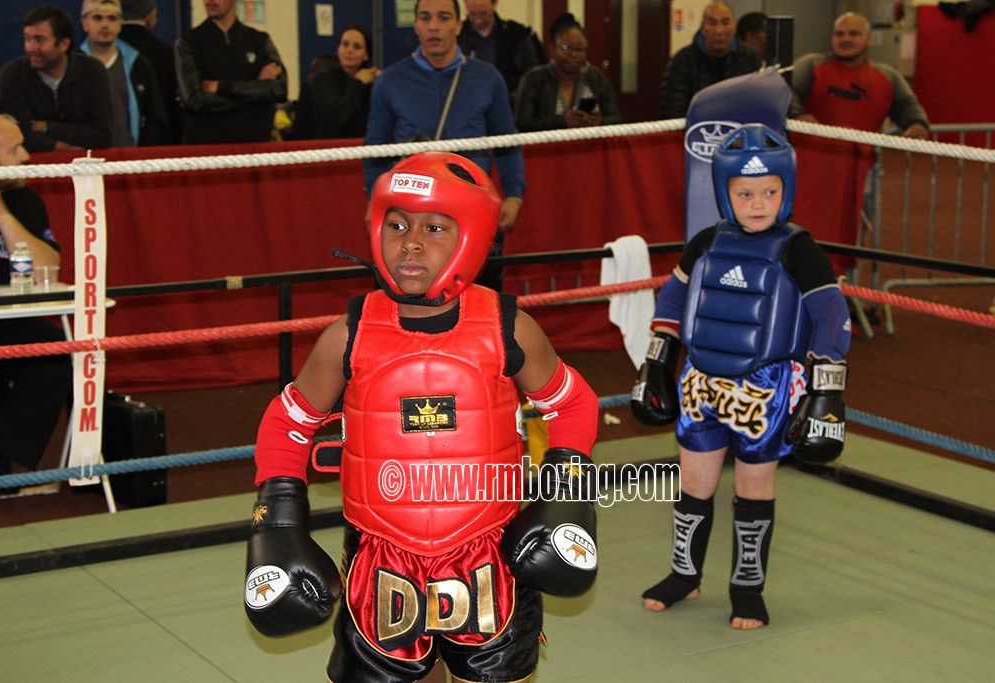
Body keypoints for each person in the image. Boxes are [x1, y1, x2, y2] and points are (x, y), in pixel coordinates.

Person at [243, 151, 599, 682]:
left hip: (489, 552)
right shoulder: (349, 335)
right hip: (381, 557)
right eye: (397, 224)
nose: (410, 241)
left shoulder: (508, 328)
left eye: (434, 226)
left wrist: (566, 496)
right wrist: (279, 525)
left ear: (472, 237)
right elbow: (287, 421)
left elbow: (571, 403)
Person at [630, 124, 851, 630]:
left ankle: (747, 589)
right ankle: (684, 575)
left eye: (769, 191)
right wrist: (659, 358)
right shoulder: (707, 241)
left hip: (765, 386)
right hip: (702, 381)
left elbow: (831, 316)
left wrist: (826, 388)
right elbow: (673, 297)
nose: (758, 203)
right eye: (745, 192)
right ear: (725, 193)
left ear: (787, 190)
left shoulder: (799, 248)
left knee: (754, 486)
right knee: (693, 483)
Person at [363, 0, 526, 291]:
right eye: (425, 18)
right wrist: (374, 198)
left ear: (458, 25)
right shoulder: (390, 81)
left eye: (443, 17)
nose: (434, 26)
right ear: (416, 25)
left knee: (481, 298)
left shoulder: (488, 78)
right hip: (409, 208)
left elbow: (507, 140)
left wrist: (514, 194)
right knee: (404, 296)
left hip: (471, 207)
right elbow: (375, 147)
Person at [0, 112, 72, 486]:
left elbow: (49, 269)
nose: (27, 155)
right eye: (14, 149)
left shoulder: (24, 198)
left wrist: (0, 214)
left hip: (0, 321)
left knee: (54, 349)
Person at [790, 12, 930, 139]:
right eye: (839, 34)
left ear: (868, 38)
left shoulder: (888, 76)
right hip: (808, 162)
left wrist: (917, 124)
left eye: (853, 33)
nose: (845, 39)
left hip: (863, 164)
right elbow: (783, 92)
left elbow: (908, 107)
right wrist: (798, 116)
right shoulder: (811, 65)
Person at [0, 3, 113, 152]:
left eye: (39, 40)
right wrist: (62, 148)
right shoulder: (13, 74)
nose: (30, 47)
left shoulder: (93, 71)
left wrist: (46, 127)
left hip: (88, 171)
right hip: (33, 170)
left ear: (64, 44)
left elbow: (102, 137)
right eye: (27, 39)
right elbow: (20, 137)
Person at [174, 0, 287, 144]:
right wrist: (255, 95)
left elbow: (279, 90)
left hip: (254, 150)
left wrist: (220, 87)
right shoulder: (188, 43)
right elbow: (194, 99)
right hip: (206, 151)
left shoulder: (259, 41)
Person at [79, 0, 171, 147]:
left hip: (130, 159)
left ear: (120, 24)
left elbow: (155, 117)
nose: (105, 24)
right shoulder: (73, 66)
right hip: (85, 161)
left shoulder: (138, 64)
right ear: (84, 23)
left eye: (112, 18)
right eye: (97, 18)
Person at [514, 12, 623, 132]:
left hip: (590, 147)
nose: (573, 54)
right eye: (566, 47)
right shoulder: (535, 78)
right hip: (548, 148)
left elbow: (617, 119)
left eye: (579, 49)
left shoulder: (595, 77)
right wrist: (562, 122)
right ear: (552, 49)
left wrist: (601, 122)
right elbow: (522, 123)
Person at [659, 1, 763, 119]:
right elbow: (672, 111)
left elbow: (760, 105)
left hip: (741, 133)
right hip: (695, 133)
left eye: (725, 22)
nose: (719, 31)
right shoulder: (683, 60)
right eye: (712, 23)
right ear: (703, 27)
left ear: (734, 27)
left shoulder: (751, 58)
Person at [289, 26, 379, 140]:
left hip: (362, 147)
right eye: (345, 44)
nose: (349, 50)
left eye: (357, 47)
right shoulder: (322, 80)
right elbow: (336, 117)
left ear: (366, 55)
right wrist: (357, 83)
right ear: (338, 49)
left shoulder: (370, 81)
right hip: (325, 149)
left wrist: (385, 81)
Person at [458, 0, 545, 105]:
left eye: (483, 14)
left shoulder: (515, 35)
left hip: (506, 105)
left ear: (495, 4)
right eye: (472, 14)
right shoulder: (457, 37)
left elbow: (532, 76)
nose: (477, 21)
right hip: (466, 105)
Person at [119, 0, 183, 144]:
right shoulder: (165, 53)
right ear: (151, 14)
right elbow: (175, 108)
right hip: (157, 144)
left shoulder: (104, 52)